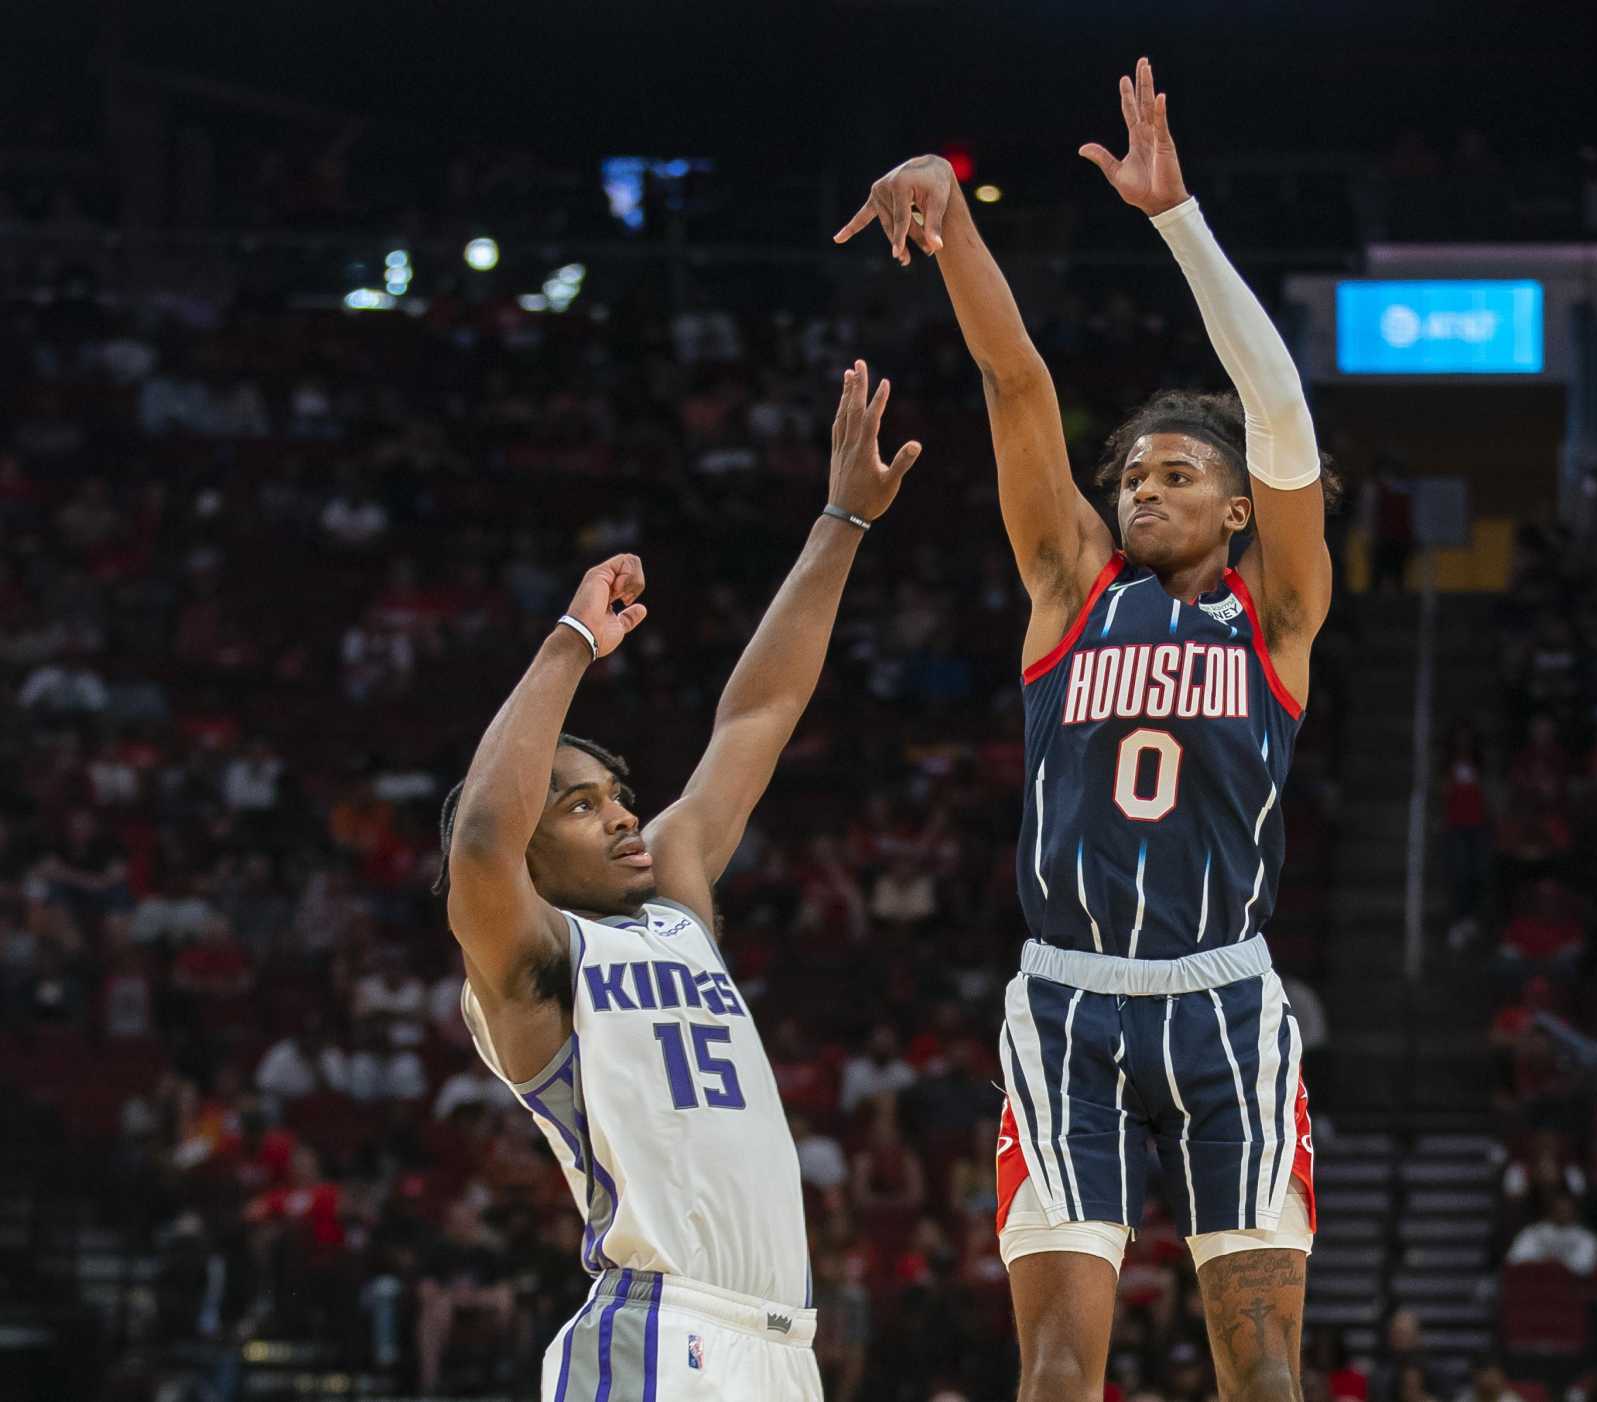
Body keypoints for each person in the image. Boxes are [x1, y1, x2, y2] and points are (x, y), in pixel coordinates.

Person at [836, 58, 1333, 1400]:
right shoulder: (1071, 590)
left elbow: (1279, 414)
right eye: (1132, 473)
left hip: (1228, 993)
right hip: (1067, 998)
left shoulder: (1276, 610)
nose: (1144, 485)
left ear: (1239, 511)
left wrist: (1175, 220)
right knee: (1057, 1367)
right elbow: (1015, 383)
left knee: (1266, 1364)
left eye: (1179, 473)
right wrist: (954, 220)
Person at [438, 363, 921, 1402]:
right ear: (535, 850)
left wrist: (841, 519)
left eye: (617, 792)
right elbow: (481, 837)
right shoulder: (532, 965)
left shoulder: (674, 907)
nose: (619, 812)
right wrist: (570, 642)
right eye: (579, 804)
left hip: (779, 1344)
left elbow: (758, 714)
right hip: (659, 1333)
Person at [1506, 1192, 1597, 1276]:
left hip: (1568, 1287)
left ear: (1575, 1212)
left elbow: (1586, 1265)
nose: (1562, 1214)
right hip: (1537, 1283)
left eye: (1566, 1211)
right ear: (1550, 1210)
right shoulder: (1534, 1232)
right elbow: (1515, 1258)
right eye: (1559, 1210)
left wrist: (1558, 1263)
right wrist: (1543, 1261)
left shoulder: (1585, 1237)